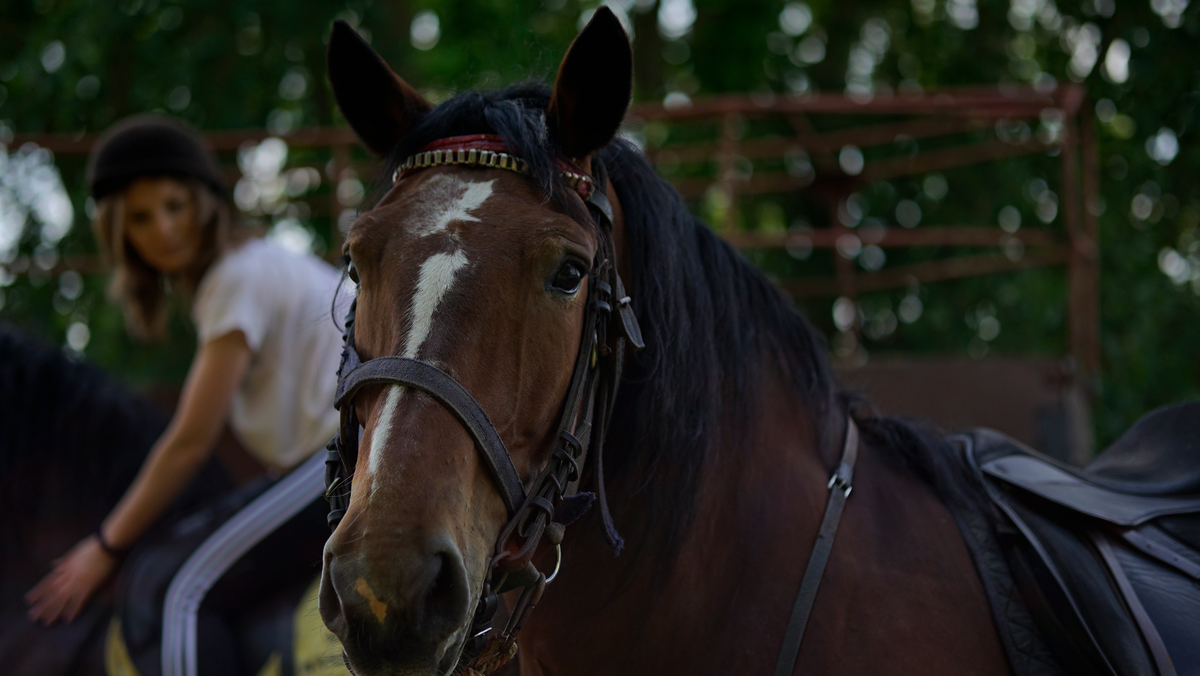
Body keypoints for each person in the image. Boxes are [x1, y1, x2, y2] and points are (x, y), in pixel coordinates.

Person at [24, 114, 347, 676]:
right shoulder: (254, 266)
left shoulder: (236, 277)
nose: (164, 229)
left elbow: (190, 441)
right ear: (119, 231)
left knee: (176, 589)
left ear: (205, 203)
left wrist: (105, 546)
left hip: (342, 457)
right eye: (141, 217)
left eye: (175, 205)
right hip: (326, 458)